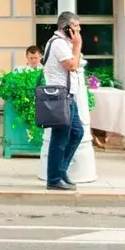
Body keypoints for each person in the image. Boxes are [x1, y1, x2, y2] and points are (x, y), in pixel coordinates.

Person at [42, 12, 84, 191]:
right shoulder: (59, 44)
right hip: (60, 98)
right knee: (60, 138)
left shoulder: (64, 43)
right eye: (76, 27)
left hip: (68, 97)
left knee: (77, 133)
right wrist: (78, 45)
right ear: (65, 28)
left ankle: (61, 170)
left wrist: (74, 47)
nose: (79, 30)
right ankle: (53, 179)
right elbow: (73, 65)